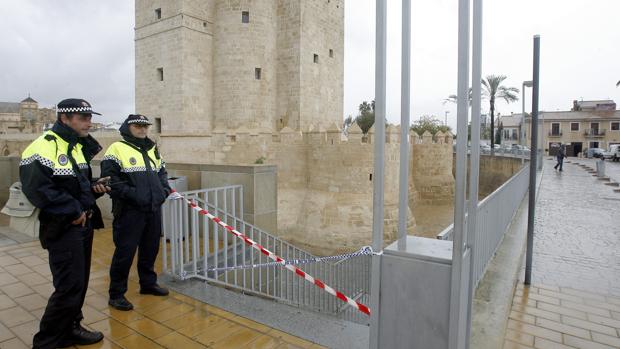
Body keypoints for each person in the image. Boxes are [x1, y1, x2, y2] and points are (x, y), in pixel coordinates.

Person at [20, 98, 109, 348]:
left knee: (78, 283)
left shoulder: (77, 147)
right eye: (83, 118)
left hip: (83, 224)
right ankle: (46, 341)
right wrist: (72, 210)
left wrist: (95, 189)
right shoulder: (43, 147)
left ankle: (71, 327)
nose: (89, 123)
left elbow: (75, 186)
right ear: (64, 119)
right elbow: (37, 189)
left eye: (90, 118)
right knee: (68, 286)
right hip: (62, 226)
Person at [101, 114, 172, 311]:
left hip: (153, 208)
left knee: (150, 249)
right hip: (129, 211)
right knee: (125, 252)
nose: (142, 129)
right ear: (128, 127)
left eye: (145, 126)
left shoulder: (151, 148)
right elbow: (110, 180)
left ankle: (148, 284)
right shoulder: (117, 149)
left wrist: (163, 192)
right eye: (137, 126)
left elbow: (162, 173)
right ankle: (116, 294)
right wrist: (136, 195)